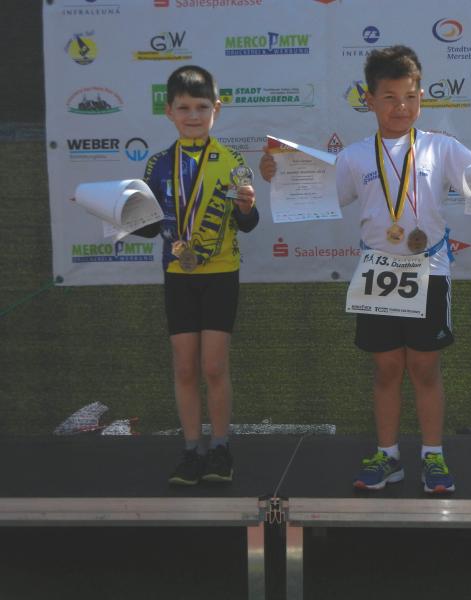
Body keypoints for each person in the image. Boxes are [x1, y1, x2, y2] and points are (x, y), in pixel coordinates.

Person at [260, 45, 471, 494]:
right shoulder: (354, 156)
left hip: (430, 269)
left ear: (421, 97)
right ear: (369, 100)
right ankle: (387, 456)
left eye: (409, 96)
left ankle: (433, 456)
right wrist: (279, 173)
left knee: (424, 368)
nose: (400, 107)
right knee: (386, 369)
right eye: (389, 97)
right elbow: (321, 191)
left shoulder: (441, 147)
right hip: (377, 271)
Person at [135, 65, 259, 486]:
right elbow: (149, 227)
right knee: (185, 368)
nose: (193, 115)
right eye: (184, 108)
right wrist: (122, 213)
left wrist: (246, 208)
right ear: (169, 111)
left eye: (202, 107)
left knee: (213, 366)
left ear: (216, 110)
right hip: (178, 275)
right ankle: (191, 450)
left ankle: (221, 448)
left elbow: (248, 223)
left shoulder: (233, 161)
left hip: (222, 273)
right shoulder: (158, 164)